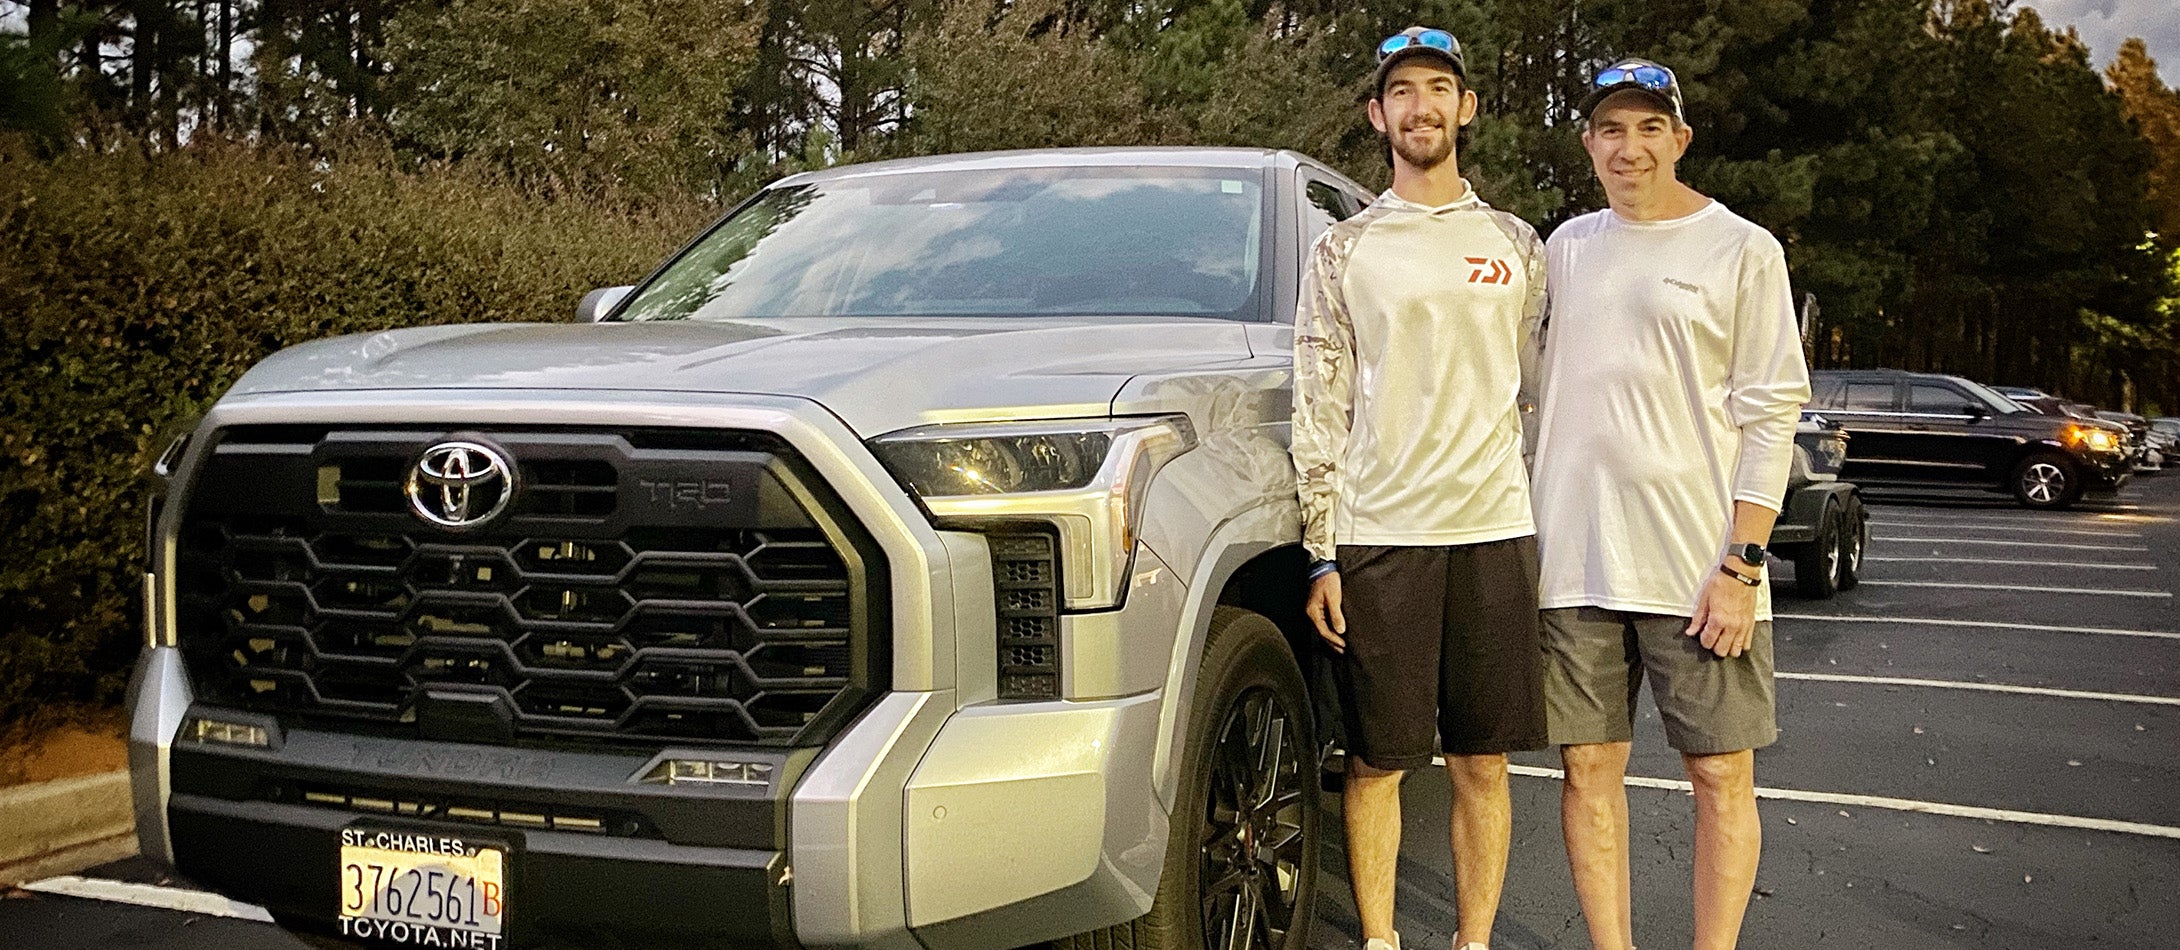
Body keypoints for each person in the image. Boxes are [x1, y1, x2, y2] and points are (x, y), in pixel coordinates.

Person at [1528, 58, 1812, 950]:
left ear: (1681, 139)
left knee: (1722, 777)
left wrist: (1743, 564)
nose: (1630, 147)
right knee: (1587, 772)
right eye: (1611, 129)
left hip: (1701, 570)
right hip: (1575, 562)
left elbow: (1773, 415)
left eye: (1650, 128)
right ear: (1588, 143)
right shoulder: (1564, 247)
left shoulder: (1742, 249)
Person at [1290, 26, 1548, 950]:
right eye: (1403, 91)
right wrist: (1322, 550)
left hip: (1492, 532)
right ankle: (1382, 940)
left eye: (1439, 87)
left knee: (1483, 763)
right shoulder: (1343, 251)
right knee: (1377, 762)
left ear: (1465, 107)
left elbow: (1540, 389)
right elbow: (1318, 403)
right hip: (1379, 536)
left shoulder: (1516, 244)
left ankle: (1471, 942)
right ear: (1378, 114)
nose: (1422, 105)